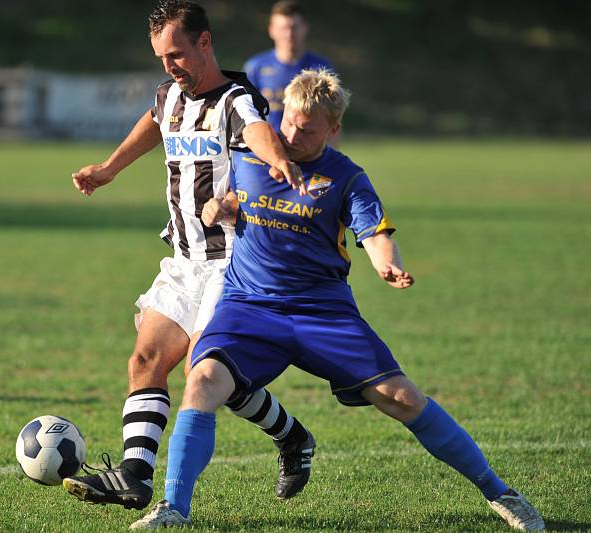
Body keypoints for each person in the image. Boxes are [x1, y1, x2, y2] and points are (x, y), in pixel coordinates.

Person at [130, 68, 545, 531]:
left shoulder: (346, 177)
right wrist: (219, 207)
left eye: (307, 129)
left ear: (333, 129)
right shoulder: (250, 155)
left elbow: (375, 232)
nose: (291, 134)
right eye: (288, 121)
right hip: (250, 306)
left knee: (403, 398)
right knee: (203, 379)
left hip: (322, 312)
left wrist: (386, 263)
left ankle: (500, 493)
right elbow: (225, 198)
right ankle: (173, 509)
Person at [63, 0, 317, 510]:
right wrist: (111, 167)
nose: (170, 66)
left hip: (233, 264)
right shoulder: (168, 95)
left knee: (204, 372)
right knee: (144, 360)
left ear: (205, 42)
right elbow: (155, 121)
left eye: (177, 54)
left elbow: (257, 130)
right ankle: (135, 478)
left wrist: (278, 161)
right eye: (161, 57)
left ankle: (291, 436)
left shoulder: (237, 98)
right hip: (182, 262)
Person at [244, 1, 333, 131]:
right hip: (267, 147)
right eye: (283, 28)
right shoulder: (256, 67)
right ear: (271, 30)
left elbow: (332, 117)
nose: (289, 34)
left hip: (306, 149)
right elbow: (245, 115)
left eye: (294, 27)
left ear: (305, 28)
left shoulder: (321, 68)